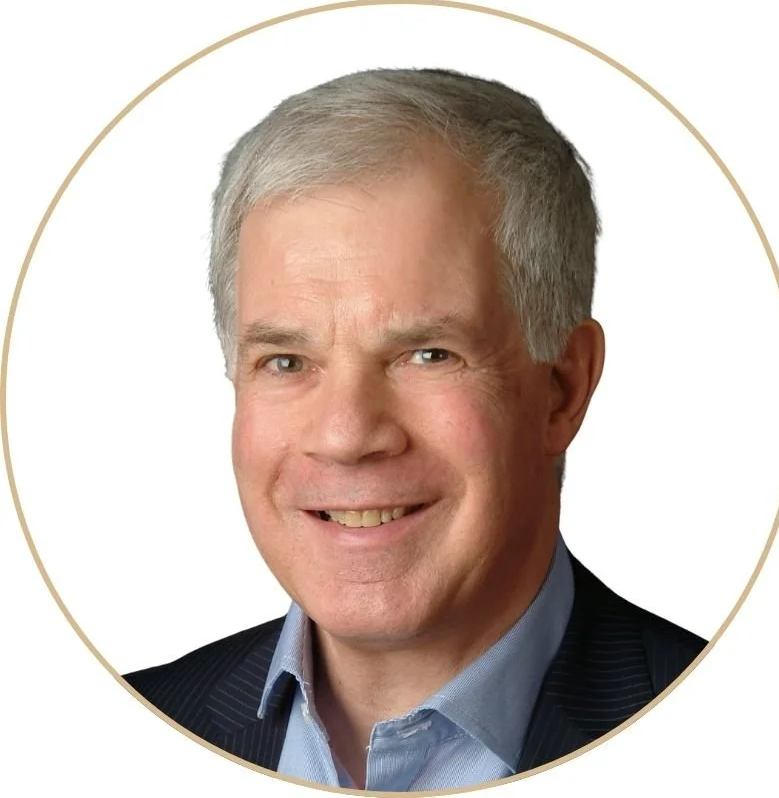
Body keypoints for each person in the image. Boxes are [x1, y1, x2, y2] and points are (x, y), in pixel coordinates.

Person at [124, 68, 706, 791]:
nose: (345, 434)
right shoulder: (110, 737)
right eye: (286, 360)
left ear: (562, 388)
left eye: (428, 354)